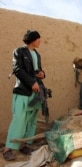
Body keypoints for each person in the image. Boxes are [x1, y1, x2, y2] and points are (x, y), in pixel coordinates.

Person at [2, 30, 45, 161]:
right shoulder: (19, 51)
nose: (40, 41)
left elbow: (38, 70)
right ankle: (8, 149)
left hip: (36, 92)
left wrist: (42, 74)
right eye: (38, 39)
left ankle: (24, 144)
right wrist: (32, 82)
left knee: (31, 120)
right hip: (23, 90)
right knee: (19, 119)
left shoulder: (37, 54)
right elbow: (17, 69)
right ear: (32, 40)